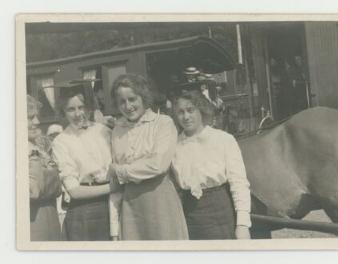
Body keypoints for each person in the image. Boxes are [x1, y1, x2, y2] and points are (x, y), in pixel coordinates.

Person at [108, 73, 188, 240]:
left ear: (143, 97)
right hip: (131, 205)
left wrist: (121, 171)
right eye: (122, 101)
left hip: (160, 201)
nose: (128, 105)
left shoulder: (163, 123)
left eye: (132, 99)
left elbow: (158, 165)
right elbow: (117, 182)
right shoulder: (117, 130)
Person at [171, 89, 251, 240]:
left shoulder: (223, 140)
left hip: (219, 211)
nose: (186, 116)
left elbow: (239, 183)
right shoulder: (174, 146)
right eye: (180, 112)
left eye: (190, 110)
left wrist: (242, 225)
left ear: (201, 110)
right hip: (188, 214)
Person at [52, 90, 118, 241]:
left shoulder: (104, 130)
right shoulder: (61, 142)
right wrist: (112, 188)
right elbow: (74, 191)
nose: (77, 114)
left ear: (89, 107)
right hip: (87, 210)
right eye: (71, 109)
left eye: (81, 107)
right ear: (63, 112)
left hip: (116, 202)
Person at [27, 95, 62, 241]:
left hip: (51, 218)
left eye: (37, 116)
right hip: (32, 222)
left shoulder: (39, 148)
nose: (37, 121)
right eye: (30, 117)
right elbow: (33, 191)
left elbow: (58, 188)